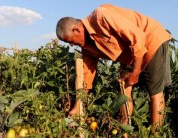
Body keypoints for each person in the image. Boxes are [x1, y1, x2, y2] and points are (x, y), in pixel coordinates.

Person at [56, 3, 172, 132]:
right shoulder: (87, 48)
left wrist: (135, 72)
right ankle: (125, 130)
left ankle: (156, 134)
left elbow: (137, 37)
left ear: (76, 30)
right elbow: (87, 76)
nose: (72, 45)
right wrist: (77, 106)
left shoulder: (101, 17)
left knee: (154, 90)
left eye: (70, 41)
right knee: (124, 87)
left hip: (150, 38)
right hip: (129, 53)